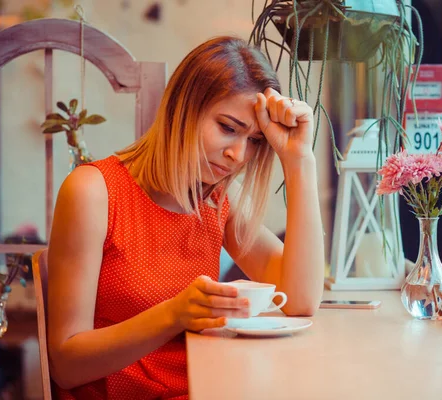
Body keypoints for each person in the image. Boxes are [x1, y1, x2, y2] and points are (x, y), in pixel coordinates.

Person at [47, 36, 325, 399]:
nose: (238, 155)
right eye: (228, 127)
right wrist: (174, 315)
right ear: (182, 107)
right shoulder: (93, 192)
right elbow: (66, 367)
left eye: (256, 141)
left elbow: (301, 300)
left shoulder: (217, 200)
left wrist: (300, 160)